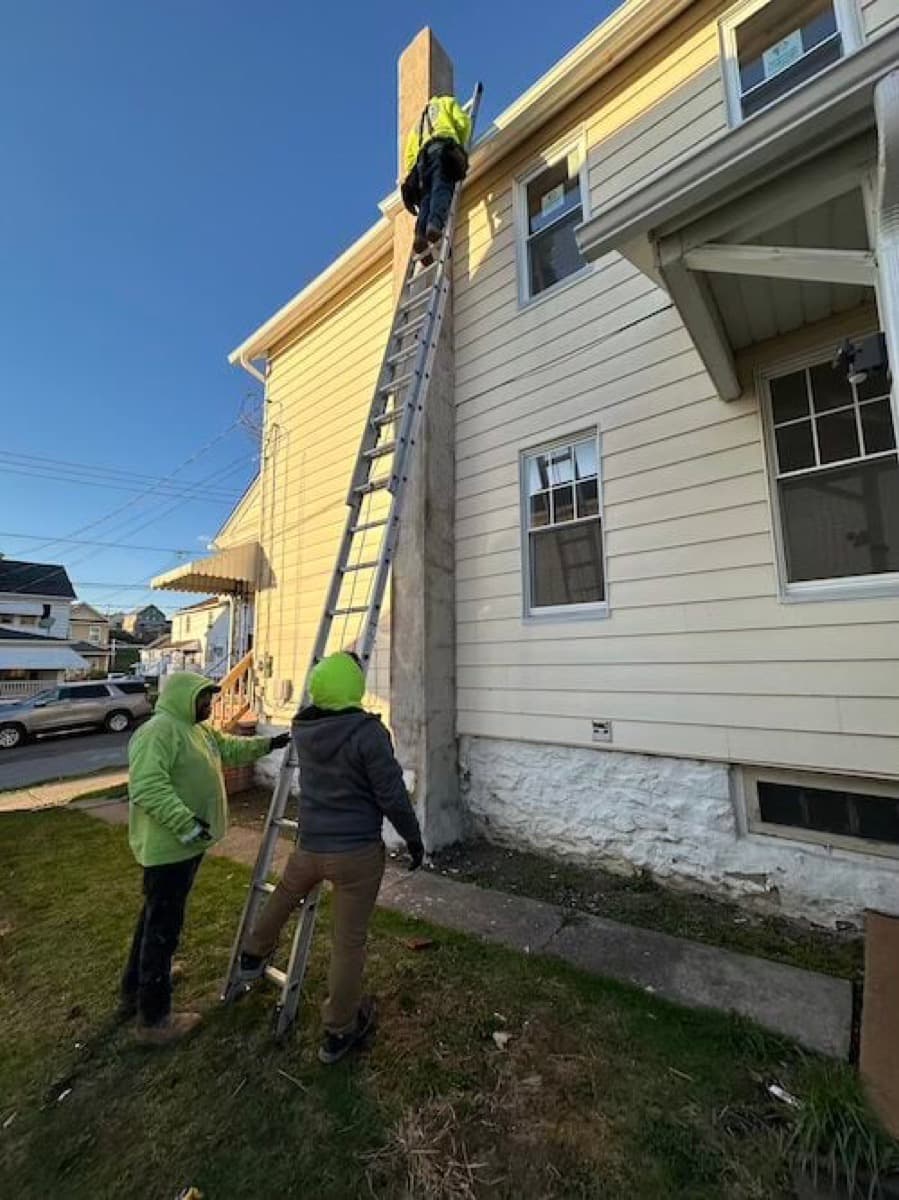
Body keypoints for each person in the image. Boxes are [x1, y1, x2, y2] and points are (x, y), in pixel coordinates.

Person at [238, 651, 423, 1065]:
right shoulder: (367, 733)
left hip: (310, 847)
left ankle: (252, 953)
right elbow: (391, 793)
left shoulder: (304, 728)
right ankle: (339, 1031)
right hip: (356, 853)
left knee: (285, 893)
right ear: (353, 687)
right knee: (347, 942)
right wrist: (413, 838)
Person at [121, 671, 290, 1046]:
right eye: (203, 699)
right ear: (183, 697)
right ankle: (153, 1019)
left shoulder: (198, 731)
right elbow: (147, 787)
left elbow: (231, 749)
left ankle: (138, 984)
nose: (209, 705)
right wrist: (186, 824)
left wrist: (273, 742)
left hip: (186, 845)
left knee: (153, 918)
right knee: (163, 928)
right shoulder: (158, 732)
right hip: (168, 848)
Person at [401, 94, 472, 260]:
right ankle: (435, 224)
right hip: (443, 149)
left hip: (421, 162)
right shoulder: (447, 102)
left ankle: (420, 235)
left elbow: (409, 158)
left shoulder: (418, 125)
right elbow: (463, 122)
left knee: (426, 198)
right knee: (442, 187)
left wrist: (415, 173)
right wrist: (460, 146)